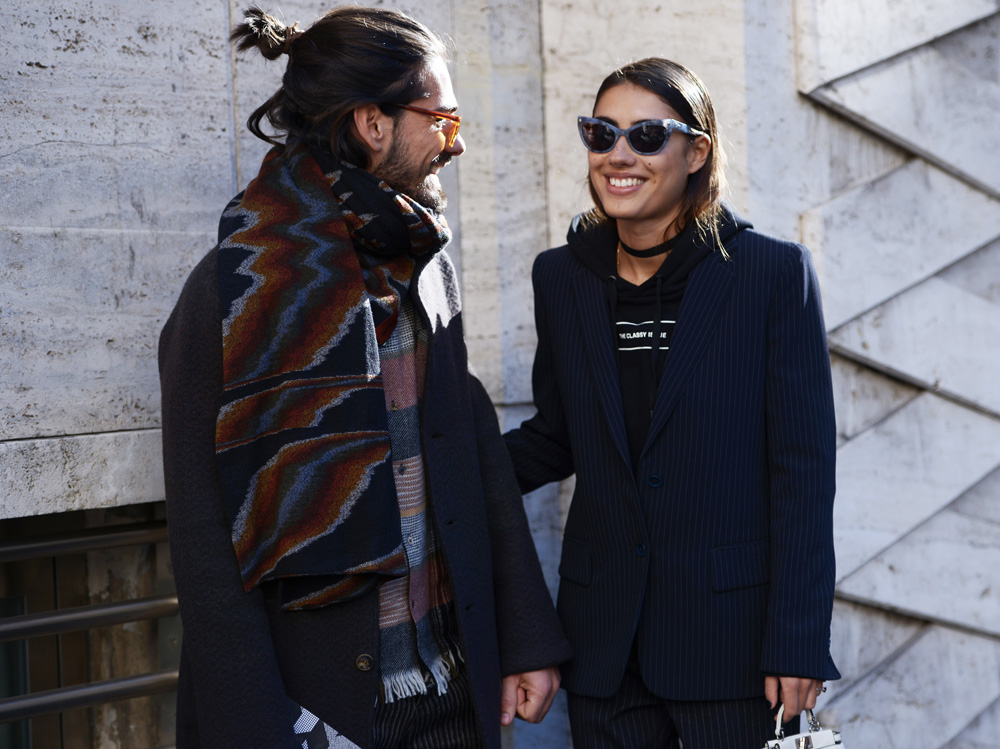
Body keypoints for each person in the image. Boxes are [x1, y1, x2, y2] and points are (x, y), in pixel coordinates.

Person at [158, 7, 571, 748]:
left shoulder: (423, 260)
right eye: (442, 119)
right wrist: (263, 728)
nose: (458, 142)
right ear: (372, 124)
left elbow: (472, 450)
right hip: (319, 712)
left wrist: (526, 634)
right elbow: (203, 542)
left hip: (452, 690)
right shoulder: (234, 291)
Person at [503, 58, 840, 748]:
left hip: (734, 645)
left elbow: (803, 473)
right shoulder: (560, 277)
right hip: (604, 644)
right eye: (601, 133)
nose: (618, 154)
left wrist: (799, 639)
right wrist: (435, 470)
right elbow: (558, 436)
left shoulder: (771, 274)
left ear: (697, 152)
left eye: (647, 135)